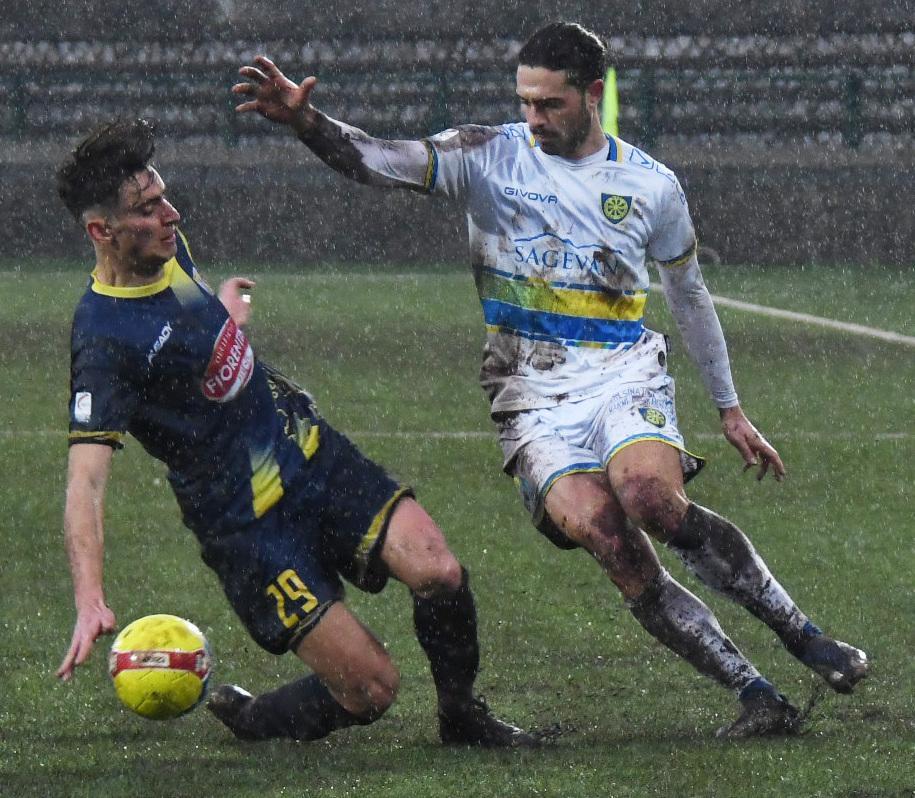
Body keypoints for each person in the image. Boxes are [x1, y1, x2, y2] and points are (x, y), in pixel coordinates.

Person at [232, 22, 869, 738]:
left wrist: (729, 407)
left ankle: (804, 636)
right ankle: (753, 693)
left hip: (621, 369)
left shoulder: (650, 186)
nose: (532, 118)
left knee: (649, 497)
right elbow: (380, 160)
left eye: (549, 104)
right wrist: (305, 122)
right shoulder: (487, 155)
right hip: (527, 390)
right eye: (525, 102)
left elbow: (689, 296)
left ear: (592, 94)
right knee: (608, 537)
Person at [55, 118, 537, 748]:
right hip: (247, 527)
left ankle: (462, 716)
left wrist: (223, 313)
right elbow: (85, 484)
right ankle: (259, 719)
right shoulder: (103, 341)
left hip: (309, 455)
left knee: (438, 570)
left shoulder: (166, 249)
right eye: (148, 209)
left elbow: (187, 332)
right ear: (102, 231)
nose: (171, 214)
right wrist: (90, 598)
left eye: (165, 196)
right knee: (371, 690)